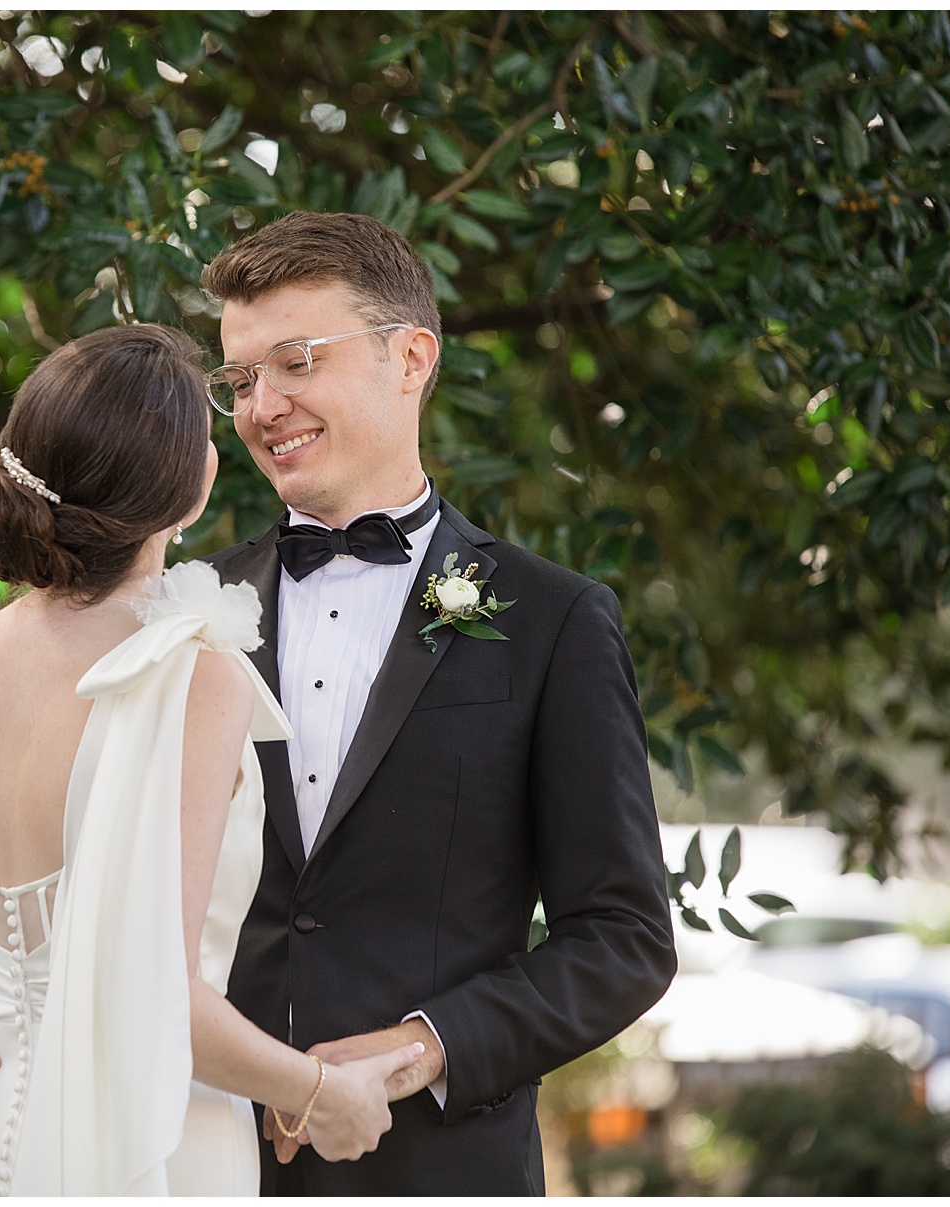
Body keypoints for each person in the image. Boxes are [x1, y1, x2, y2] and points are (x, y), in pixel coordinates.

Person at [0, 323, 422, 1196]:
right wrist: (324, 1091)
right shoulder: (192, 675)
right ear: (195, 487)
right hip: (151, 1152)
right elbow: (151, 994)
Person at [195, 211, 679, 1194]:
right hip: (202, 1157)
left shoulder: (554, 621)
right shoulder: (186, 613)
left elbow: (624, 937)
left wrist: (420, 1049)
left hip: (441, 1167)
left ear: (410, 357)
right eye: (241, 380)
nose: (261, 406)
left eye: (295, 362)